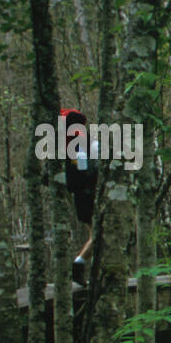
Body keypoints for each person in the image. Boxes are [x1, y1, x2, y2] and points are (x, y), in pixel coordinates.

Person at [61, 109, 98, 286]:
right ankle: (78, 265)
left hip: (78, 193)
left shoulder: (62, 142)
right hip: (88, 193)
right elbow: (91, 166)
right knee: (98, 234)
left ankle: (80, 266)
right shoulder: (81, 140)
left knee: (96, 233)